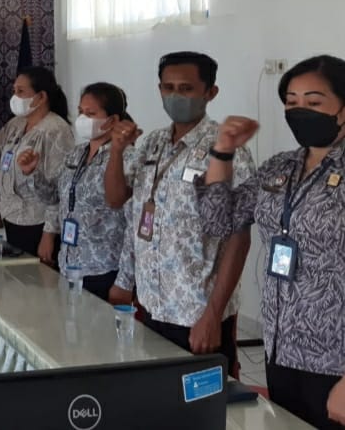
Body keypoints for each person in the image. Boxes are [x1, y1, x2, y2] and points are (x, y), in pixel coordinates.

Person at [196, 55, 345, 429]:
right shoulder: (281, 166)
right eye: (291, 102)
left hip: (336, 359)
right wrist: (223, 151)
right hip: (281, 346)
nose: (299, 111)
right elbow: (219, 220)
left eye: (314, 102)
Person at [105, 51, 255, 379]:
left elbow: (238, 238)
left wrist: (212, 315)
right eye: (168, 87)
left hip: (197, 311)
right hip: (152, 302)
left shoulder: (227, 148)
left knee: (204, 402)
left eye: (186, 89)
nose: (175, 96)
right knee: (159, 396)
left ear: (210, 92)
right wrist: (116, 151)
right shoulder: (153, 143)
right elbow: (116, 199)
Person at [23, 83, 136, 299]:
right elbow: (53, 197)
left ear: (112, 120)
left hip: (104, 269)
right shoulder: (76, 154)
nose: (82, 119)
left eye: (91, 114)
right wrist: (34, 174)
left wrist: (125, 281)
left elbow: (133, 224)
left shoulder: (128, 159)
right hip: (69, 264)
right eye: (81, 112)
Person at [0, 66, 74, 260]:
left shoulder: (56, 130)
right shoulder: (17, 123)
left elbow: (60, 188)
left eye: (21, 91)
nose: (15, 97)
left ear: (41, 97)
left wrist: (49, 234)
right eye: (14, 91)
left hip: (39, 222)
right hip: (12, 217)